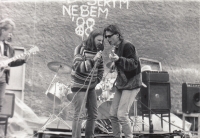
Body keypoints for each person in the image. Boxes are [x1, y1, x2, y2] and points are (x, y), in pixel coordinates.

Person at [103, 24, 142, 138]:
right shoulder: (116, 48)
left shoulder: (127, 45)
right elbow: (122, 66)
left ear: (118, 35)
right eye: (106, 37)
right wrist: (114, 65)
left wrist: (119, 59)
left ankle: (129, 136)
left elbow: (134, 64)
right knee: (113, 115)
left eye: (109, 36)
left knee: (121, 114)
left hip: (132, 83)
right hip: (122, 83)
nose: (108, 39)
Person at [70, 29, 104, 138]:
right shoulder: (80, 48)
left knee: (93, 114)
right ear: (92, 38)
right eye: (99, 40)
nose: (101, 43)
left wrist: (96, 80)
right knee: (79, 115)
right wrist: (93, 60)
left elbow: (101, 68)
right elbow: (78, 67)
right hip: (79, 85)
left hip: (91, 86)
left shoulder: (99, 52)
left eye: (102, 41)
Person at [0, 18, 30, 111]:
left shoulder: (8, 47)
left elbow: (10, 62)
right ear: (3, 30)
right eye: (9, 32)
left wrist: (23, 60)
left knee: (0, 103)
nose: (10, 34)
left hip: (3, 77)